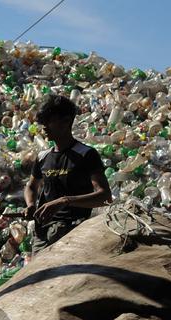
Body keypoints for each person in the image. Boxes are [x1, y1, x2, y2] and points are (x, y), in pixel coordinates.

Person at [23, 95, 112, 253]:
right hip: (42, 234)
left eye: (50, 121)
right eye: (43, 122)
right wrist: (30, 204)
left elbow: (104, 196)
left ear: (66, 121)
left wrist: (65, 201)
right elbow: (31, 186)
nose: (44, 127)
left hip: (74, 232)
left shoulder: (86, 155)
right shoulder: (43, 157)